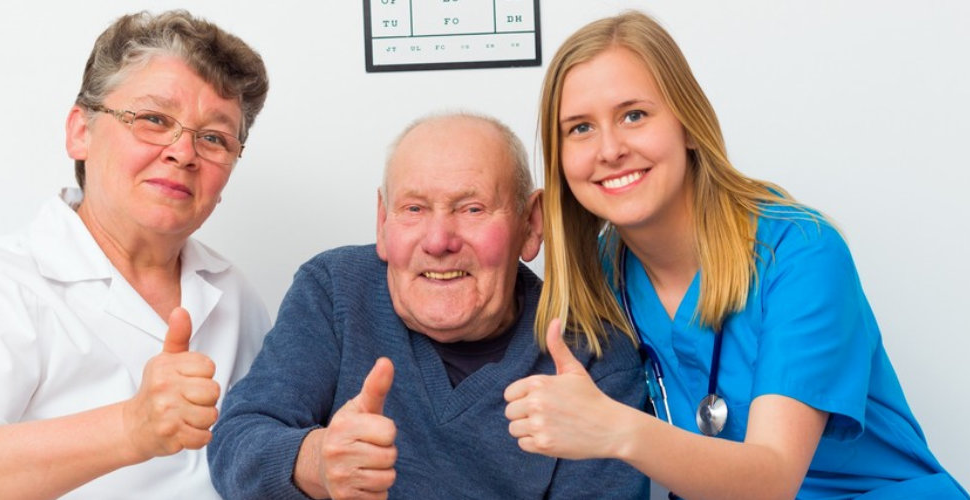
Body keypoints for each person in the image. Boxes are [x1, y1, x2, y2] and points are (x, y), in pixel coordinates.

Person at [502, 11, 970, 499]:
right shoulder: (600, 277)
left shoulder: (800, 253)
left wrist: (613, 429)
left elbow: (772, 479)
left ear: (687, 124)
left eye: (633, 115)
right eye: (579, 128)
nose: (610, 149)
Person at [0, 10, 271, 499]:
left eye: (214, 138)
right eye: (155, 119)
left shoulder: (234, 294)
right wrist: (131, 427)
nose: (184, 152)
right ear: (80, 132)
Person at [208, 112, 649, 499]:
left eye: (472, 209)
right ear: (383, 222)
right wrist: (316, 461)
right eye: (414, 209)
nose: (438, 241)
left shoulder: (595, 353)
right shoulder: (334, 291)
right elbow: (235, 445)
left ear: (530, 224)